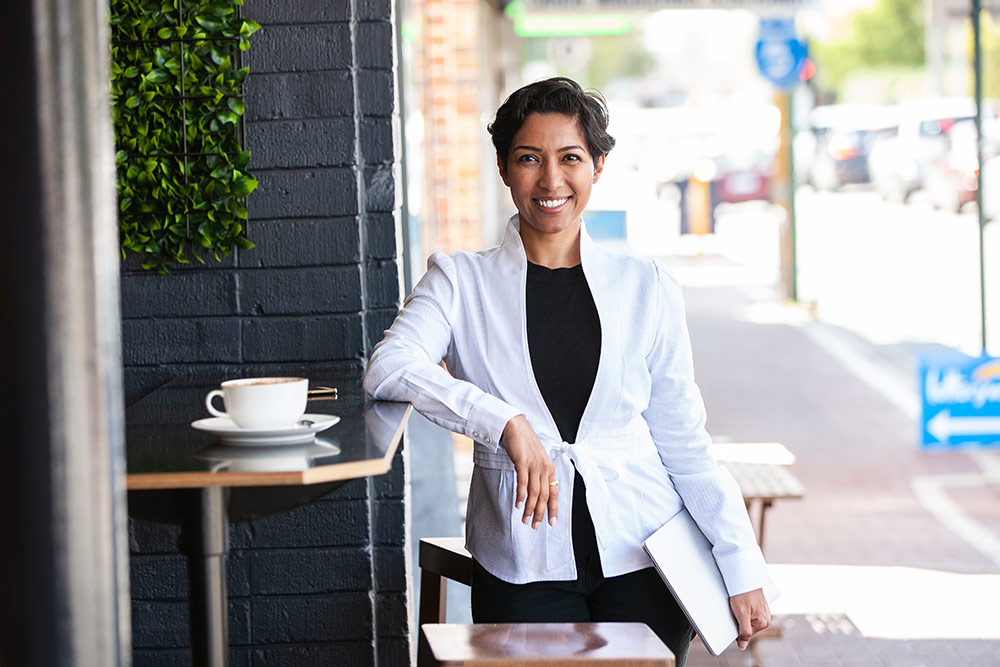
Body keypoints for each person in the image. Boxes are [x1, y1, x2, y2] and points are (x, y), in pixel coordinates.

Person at [363, 77, 773, 665]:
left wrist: (740, 562)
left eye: (570, 158)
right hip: (521, 560)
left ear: (598, 166)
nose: (551, 181)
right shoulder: (459, 281)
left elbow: (684, 442)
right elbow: (389, 367)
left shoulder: (647, 288)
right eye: (529, 159)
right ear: (505, 169)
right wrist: (503, 421)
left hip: (647, 554)